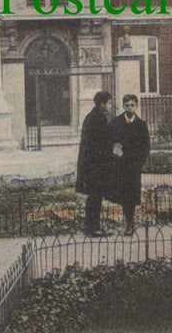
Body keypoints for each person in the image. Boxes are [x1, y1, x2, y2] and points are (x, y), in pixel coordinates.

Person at [108, 94, 150, 236]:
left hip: (133, 167)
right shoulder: (115, 122)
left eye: (132, 105)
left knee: (131, 195)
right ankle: (127, 221)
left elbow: (146, 147)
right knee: (121, 194)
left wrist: (140, 163)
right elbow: (109, 141)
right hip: (119, 165)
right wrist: (114, 149)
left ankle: (129, 223)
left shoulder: (141, 124)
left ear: (136, 106)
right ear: (123, 106)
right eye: (127, 105)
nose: (130, 108)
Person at [75, 90, 113, 237]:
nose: (110, 106)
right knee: (95, 196)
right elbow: (101, 143)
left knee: (94, 196)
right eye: (109, 103)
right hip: (95, 165)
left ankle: (91, 226)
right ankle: (93, 228)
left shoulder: (93, 116)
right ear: (102, 104)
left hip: (91, 163)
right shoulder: (97, 119)